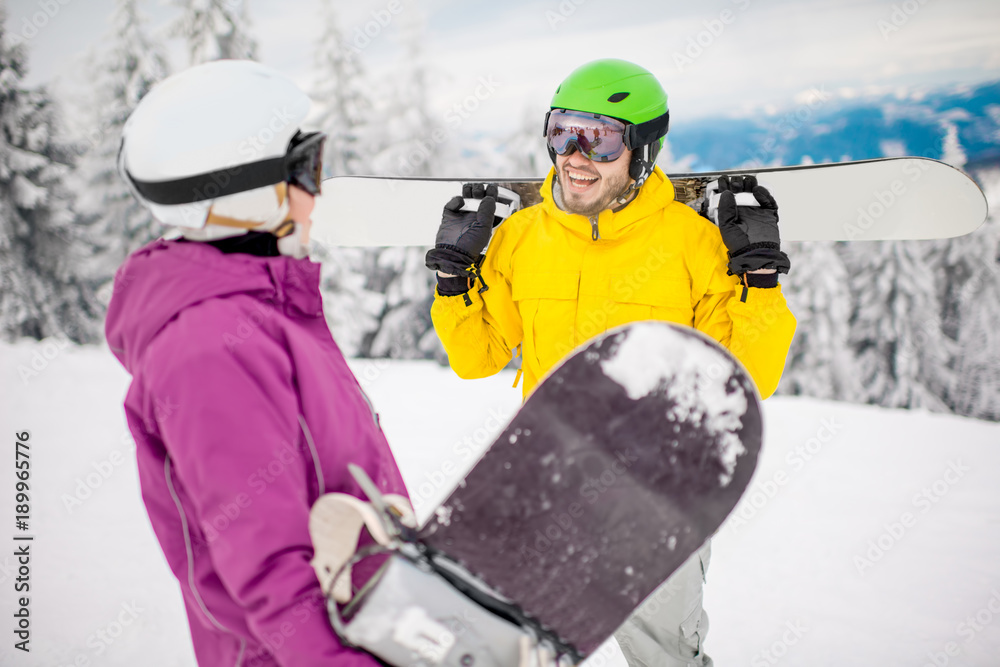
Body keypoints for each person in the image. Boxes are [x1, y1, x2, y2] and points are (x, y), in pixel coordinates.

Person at [426, 59, 797, 666]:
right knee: (513, 649)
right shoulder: (522, 237)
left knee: (662, 655)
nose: (574, 155)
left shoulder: (692, 242)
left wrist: (757, 277)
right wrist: (451, 281)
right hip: (546, 476)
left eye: (597, 138)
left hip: (660, 492)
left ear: (642, 149)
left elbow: (751, 379)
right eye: (562, 132)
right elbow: (478, 358)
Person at [106, 60, 406, 666]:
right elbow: (272, 571)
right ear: (241, 194)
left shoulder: (261, 314)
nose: (318, 187)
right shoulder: (211, 350)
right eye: (305, 168)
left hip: (373, 632)